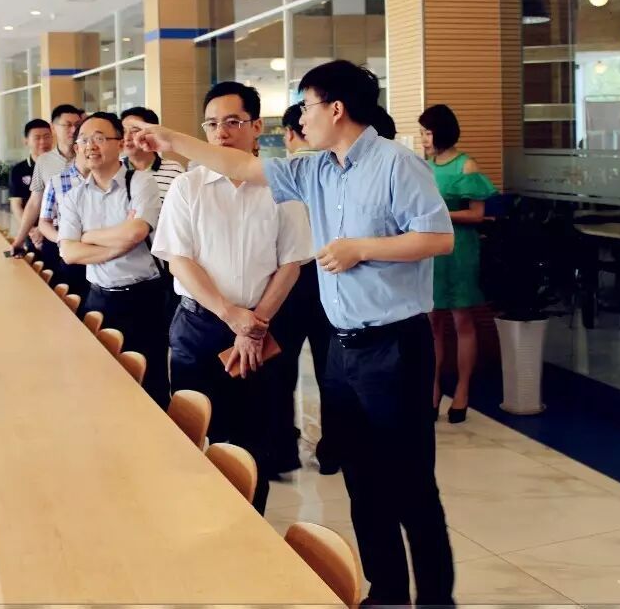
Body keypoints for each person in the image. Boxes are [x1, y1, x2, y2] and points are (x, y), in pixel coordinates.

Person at [136, 60, 456, 606]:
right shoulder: (316, 169)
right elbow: (240, 165)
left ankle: (435, 600)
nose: (300, 118)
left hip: (394, 345)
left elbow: (437, 237)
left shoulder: (396, 164)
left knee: (409, 482)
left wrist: (361, 249)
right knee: (361, 479)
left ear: (337, 108)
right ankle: (386, 592)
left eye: (306, 106)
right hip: (342, 349)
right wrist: (172, 139)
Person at [152, 82, 310, 512]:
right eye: (211, 124)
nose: (220, 132)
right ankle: (202, 523)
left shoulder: (282, 187)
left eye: (233, 122)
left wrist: (253, 325)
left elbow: (291, 263)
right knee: (198, 435)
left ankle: (252, 526)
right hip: (199, 328)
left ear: (257, 126)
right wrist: (231, 315)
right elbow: (179, 261)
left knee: (253, 442)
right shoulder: (188, 187)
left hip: (261, 330)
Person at [59, 112, 169, 407]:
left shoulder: (141, 181)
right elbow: (69, 253)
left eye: (99, 138)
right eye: (84, 140)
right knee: (103, 381)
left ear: (120, 143)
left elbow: (136, 232)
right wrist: (116, 245)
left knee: (152, 381)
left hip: (144, 298)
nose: (90, 146)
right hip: (99, 299)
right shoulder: (74, 197)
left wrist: (87, 236)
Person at [419, 104, 496, 424]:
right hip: (430, 249)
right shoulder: (424, 166)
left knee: (462, 319)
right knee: (433, 321)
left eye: (427, 133)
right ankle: (434, 387)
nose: (423, 139)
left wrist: (441, 215)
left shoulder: (466, 165)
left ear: (441, 132)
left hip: (460, 249)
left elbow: (477, 214)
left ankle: (463, 389)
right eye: (422, 133)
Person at [273, 102, 339, 475]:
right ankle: (333, 452)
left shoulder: (284, 173)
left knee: (281, 368)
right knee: (331, 368)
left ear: (289, 133)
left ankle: (282, 449)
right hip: (331, 274)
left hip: (289, 278)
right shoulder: (335, 168)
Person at [10, 104, 84, 273]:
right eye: (67, 125)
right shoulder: (44, 161)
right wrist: (20, 239)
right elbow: (34, 203)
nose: (74, 130)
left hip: (84, 236)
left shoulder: (88, 156)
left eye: (77, 125)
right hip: (53, 235)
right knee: (56, 281)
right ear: (54, 127)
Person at [38, 150, 92, 301]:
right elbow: (44, 222)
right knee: (73, 303)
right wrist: (63, 240)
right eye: (85, 142)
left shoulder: (107, 179)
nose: (91, 148)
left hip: (102, 257)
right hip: (72, 257)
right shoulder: (57, 181)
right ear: (76, 148)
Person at [121, 106, 185, 206]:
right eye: (123, 131)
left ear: (152, 133)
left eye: (134, 131)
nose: (126, 137)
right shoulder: (114, 169)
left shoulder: (175, 170)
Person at [9, 119, 53, 251]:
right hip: (31, 231)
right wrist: (31, 231)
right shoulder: (18, 170)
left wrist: (43, 229)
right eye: (37, 138)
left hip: (55, 228)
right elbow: (16, 205)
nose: (43, 142)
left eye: (47, 137)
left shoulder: (60, 166)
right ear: (26, 141)